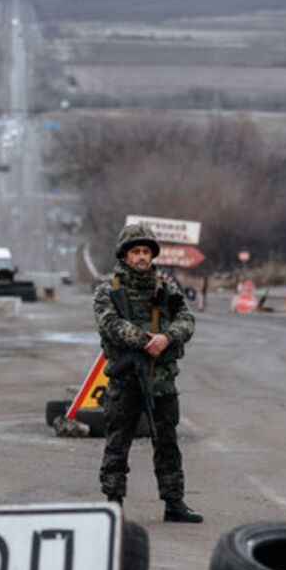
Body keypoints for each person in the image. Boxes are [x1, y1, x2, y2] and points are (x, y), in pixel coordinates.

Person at [93, 223, 202, 523]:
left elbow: (187, 320)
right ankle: (113, 504)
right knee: (118, 443)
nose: (141, 257)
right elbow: (110, 325)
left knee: (167, 442)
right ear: (125, 255)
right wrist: (147, 341)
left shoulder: (166, 288)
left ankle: (174, 502)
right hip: (126, 382)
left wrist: (167, 338)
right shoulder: (108, 291)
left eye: (146, 251)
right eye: (135, 251)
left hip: (161, 380)